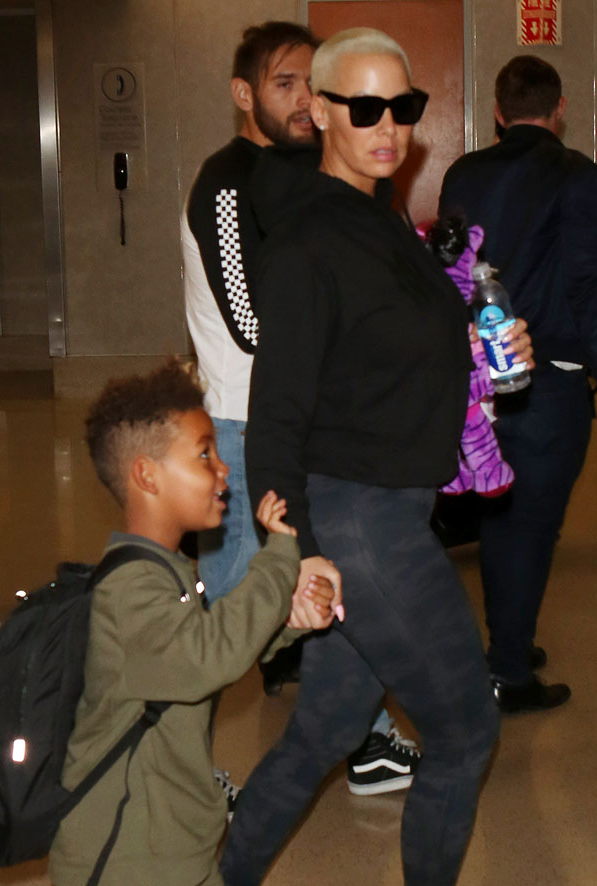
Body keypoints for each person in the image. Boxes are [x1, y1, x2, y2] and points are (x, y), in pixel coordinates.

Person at [219, 27, 543, 886]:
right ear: (319, 111)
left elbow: (401, 353)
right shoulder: (310, 239)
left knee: (319, 732)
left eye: (402, 107)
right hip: (359, 523)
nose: (387, 126)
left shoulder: (380, 218)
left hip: (385, 507)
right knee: (464, 726)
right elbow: (276, 414)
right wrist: (299, 553)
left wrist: (490, 353)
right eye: (363, 108)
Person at [0, 361, 342, 886]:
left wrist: (287, 625)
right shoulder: (130, 590)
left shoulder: (165, 574)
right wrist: (279, 562)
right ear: (145, 474)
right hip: (128, 847)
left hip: (168, 830)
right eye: (203, 454)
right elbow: (206, 658)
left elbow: (192, 664)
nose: (222, 471)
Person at [182, 20, 421, 805]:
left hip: (301, 425)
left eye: (308, 85)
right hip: (241, 429)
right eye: (283, 83)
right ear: (243, 93)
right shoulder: (227, 183)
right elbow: (255, 323)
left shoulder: (308, 181)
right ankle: (178, 778)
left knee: (322, 588)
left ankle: (365, 738)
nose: (300, 100)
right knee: (227, 617)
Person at [440, 55, 597, 713]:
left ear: (498, 112)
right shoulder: (578, 175)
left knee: (502, 516)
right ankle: (509, 673)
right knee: (530, 526)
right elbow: (587, 283)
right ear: (561, 108)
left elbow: (452, 274)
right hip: (547, 378)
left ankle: (509, 643)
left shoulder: (463, 173)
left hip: (476, 379)